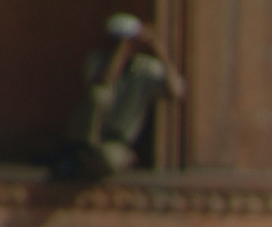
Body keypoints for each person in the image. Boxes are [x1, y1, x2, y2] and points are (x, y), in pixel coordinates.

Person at [57, 14, 185, 181]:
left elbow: (176, 91)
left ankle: (97, 163)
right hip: (89, 140)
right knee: (99, 94)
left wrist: (159, 49)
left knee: (108, 160)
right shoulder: (97, 62)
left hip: (115, 143)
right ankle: (79, 157)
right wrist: (121, 51)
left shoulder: (144, 69)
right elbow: (105, 82)